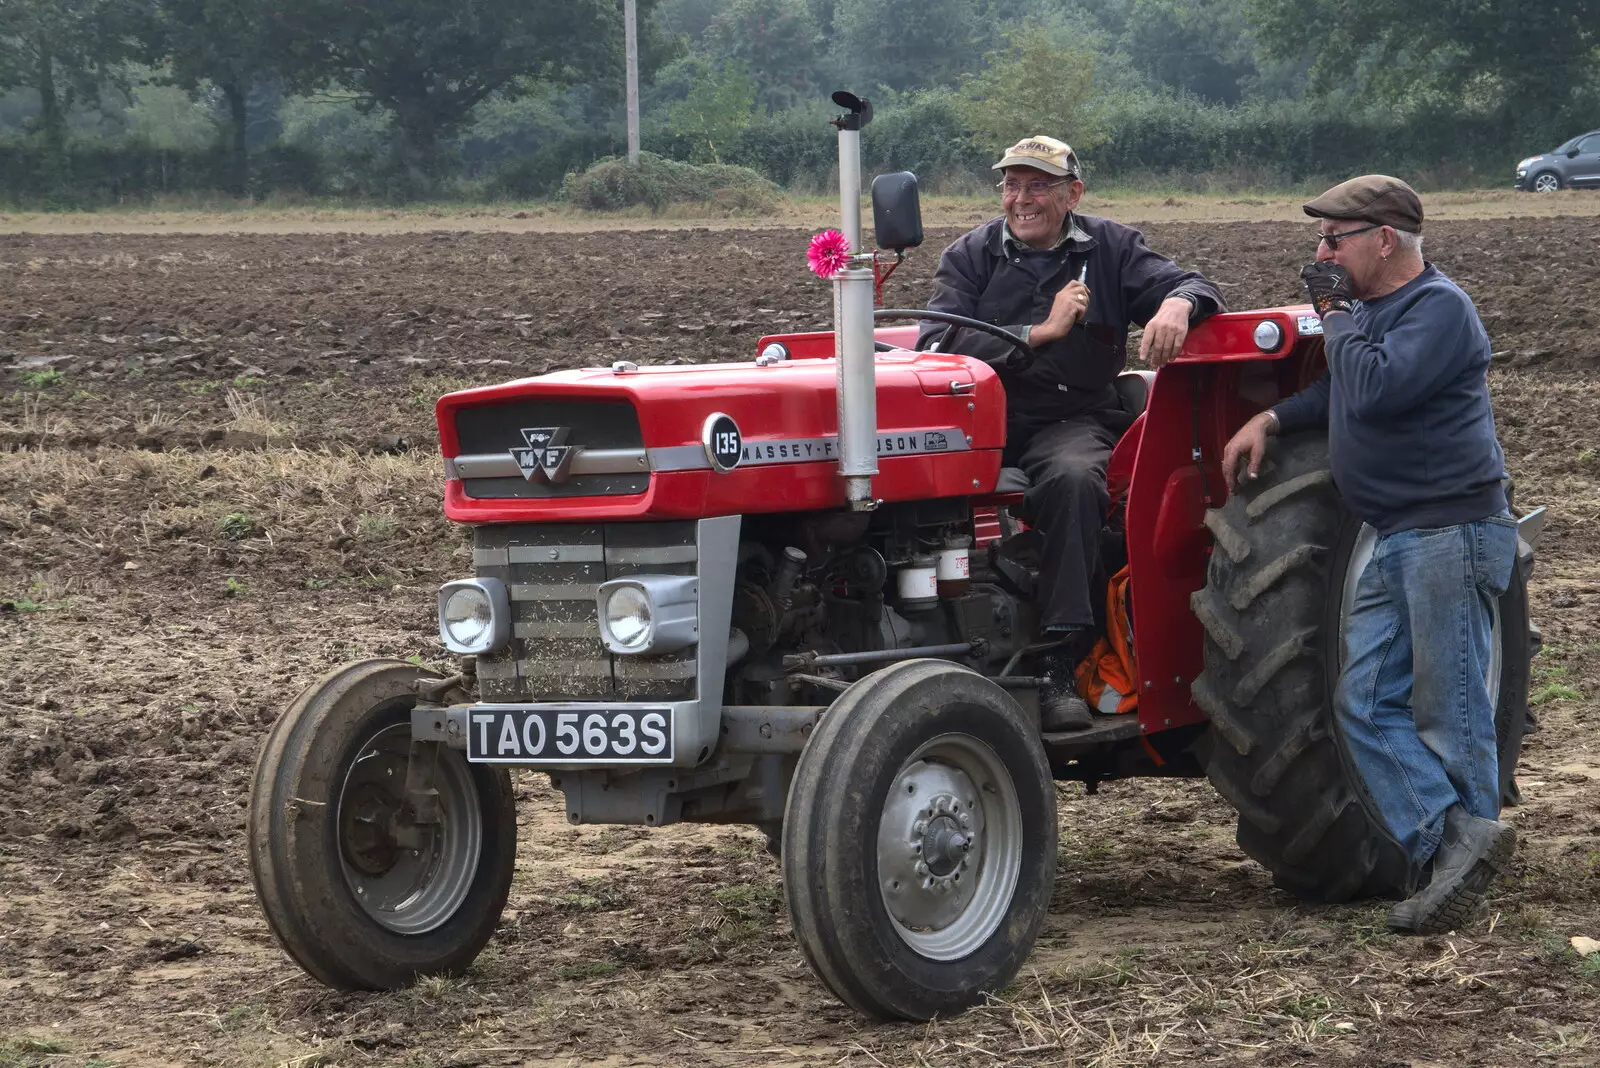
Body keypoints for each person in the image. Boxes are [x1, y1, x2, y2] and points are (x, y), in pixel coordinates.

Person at [1221, 175, 1518, 934]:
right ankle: (1452, 846)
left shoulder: (1438, 309)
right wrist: (1275, 418)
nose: (1320, 253)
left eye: (1334, 239)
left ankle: (1462, 870)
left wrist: (1335, 315)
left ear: (1384, 238)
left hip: (1448, 529)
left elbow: (1378, 389)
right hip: (1397, 532)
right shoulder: (1377, 313)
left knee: (1447, 707)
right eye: (1320, 240)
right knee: (1363, 703)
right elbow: (1340, 396)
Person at [918, 135, 1225, 730]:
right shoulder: (970, 254)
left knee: (1074, 480)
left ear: (1072, 194)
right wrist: (1038, 331)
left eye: (1038, 186)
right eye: (1012, 185)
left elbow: (1196, 284)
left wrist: (1179, 305)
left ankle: (1062, 659)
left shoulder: (1110, 247)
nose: (1021, 199)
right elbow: (936, 344)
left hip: (1072, 419)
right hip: (982, 421)